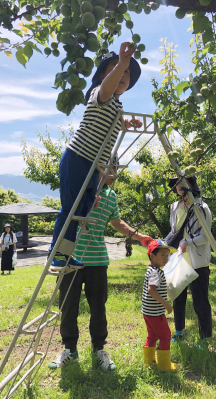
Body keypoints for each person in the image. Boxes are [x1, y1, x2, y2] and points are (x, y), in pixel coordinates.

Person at [48, 167, 153, 371]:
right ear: (99, 169)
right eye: (111, 168)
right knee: (68, 306)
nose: (115, 173)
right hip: (71, 259)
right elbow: (66, 213)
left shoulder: (110, 195)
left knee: (98, 307)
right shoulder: (78, 188)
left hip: (98, 261)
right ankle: (70, 349)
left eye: (116, 168)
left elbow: (117, 222)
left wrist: (138, 236)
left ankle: (99, 349)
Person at [49, 42, 141, 269]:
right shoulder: (99, 93)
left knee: (81, 212)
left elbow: (118, 122)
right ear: (102, 75)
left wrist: (129, 123)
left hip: (94, 168)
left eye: (127, 72)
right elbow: (107, 89)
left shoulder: (117, 106)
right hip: (78, 157)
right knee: (70, 209)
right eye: (116, 69)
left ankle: (67, 254)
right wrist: (122, 63)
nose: (122, 74)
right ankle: (57, 254)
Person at [168, 175, 212, 345]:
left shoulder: (202, 207)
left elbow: (206, 236)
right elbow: (174, 231)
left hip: (198, 262)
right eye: (177, 183)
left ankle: (205, 338)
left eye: (183, 182)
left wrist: (188, 242)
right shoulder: (174, 207)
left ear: (192, 185)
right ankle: (179, 332)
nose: (179, 186)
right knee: (178, 298)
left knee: (200, 302)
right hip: (180, 259)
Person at [142, 239, 179, 372]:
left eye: (167, 255)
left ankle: (149, 361)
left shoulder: (152, 269)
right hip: (155, 313)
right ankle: (164, 365)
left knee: (152, 335)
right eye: (162, 254)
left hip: (148, 312)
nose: (166, 258)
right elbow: (151, 290)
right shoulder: (156, 272)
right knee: (165, 336)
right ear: (152, 256)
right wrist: (166, 305)